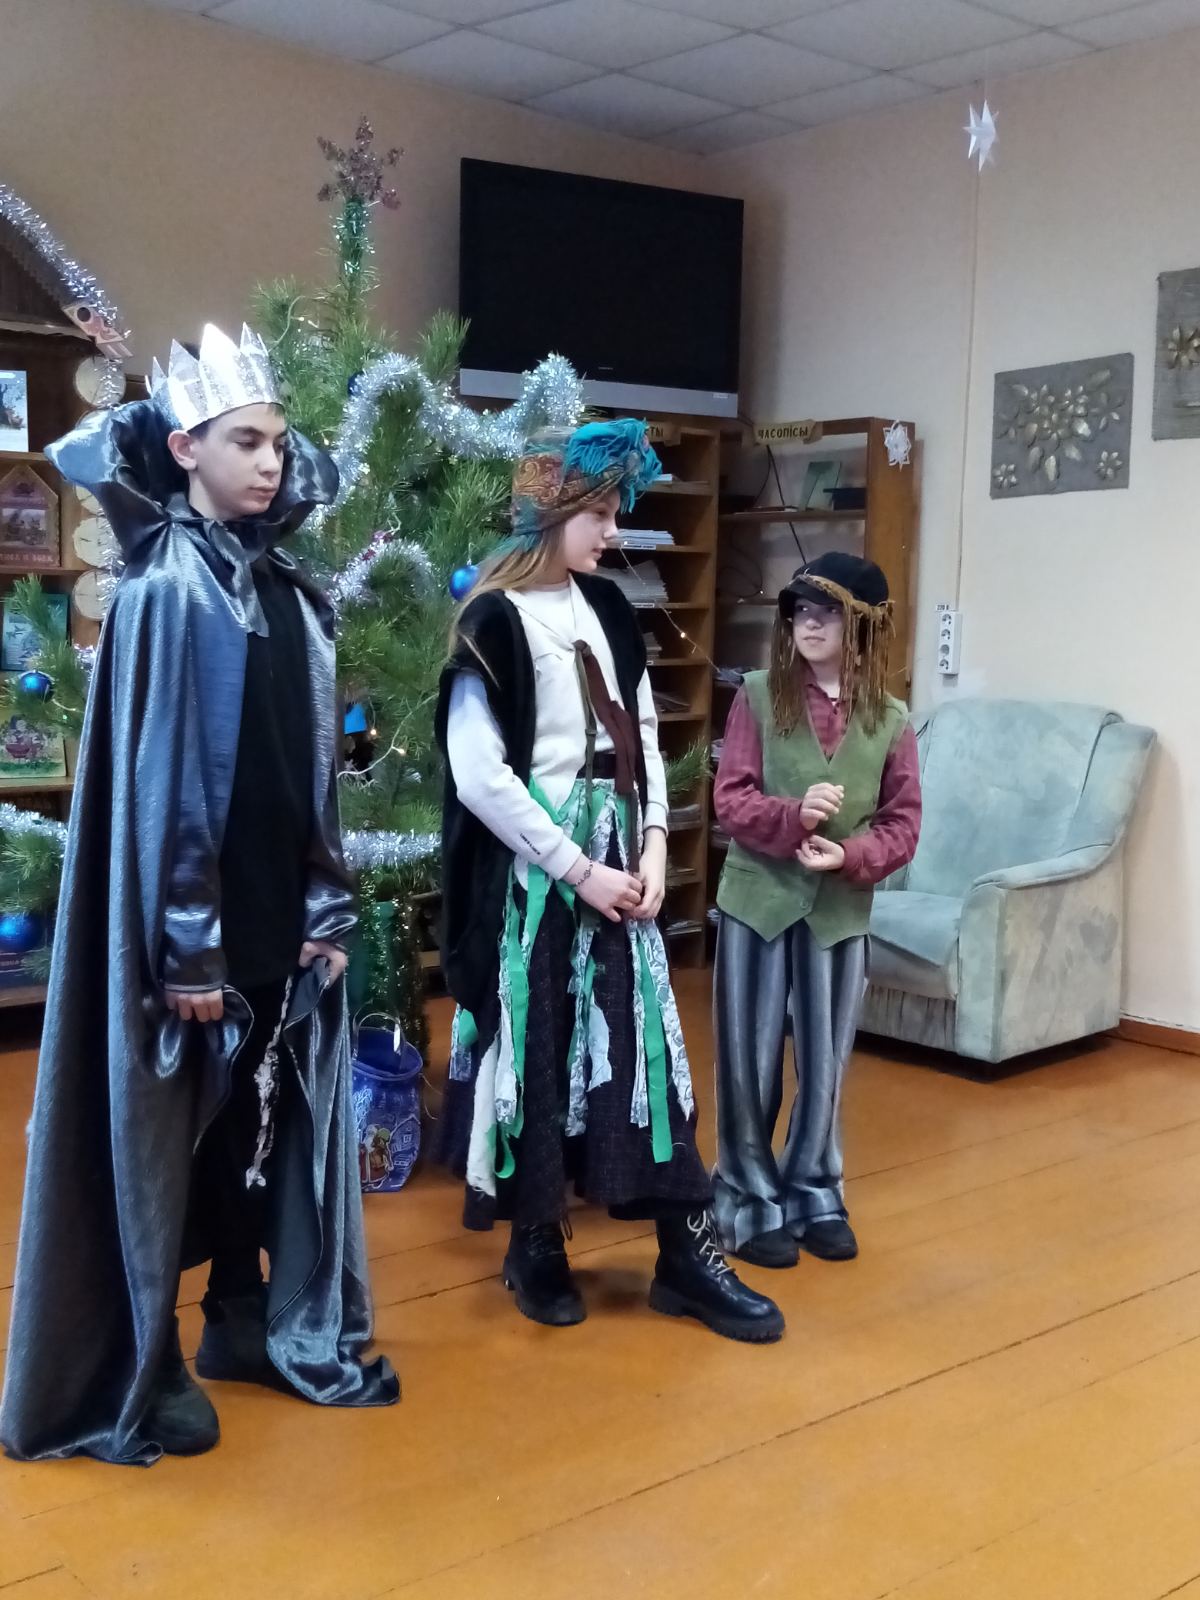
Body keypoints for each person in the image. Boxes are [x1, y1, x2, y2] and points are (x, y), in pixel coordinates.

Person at [0, 325, 398, 1466]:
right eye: (245, 441)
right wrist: (187, 950)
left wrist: (324, 906)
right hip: (188, 931)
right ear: (185, 449)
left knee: (255, 1125)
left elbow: (310, 772)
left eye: (278, 442)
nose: (270, 462)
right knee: (170, 1133)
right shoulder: (166, 592)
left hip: (274, 910)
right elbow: (168, 789)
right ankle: (148, 1351)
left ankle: (240, 1312)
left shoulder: (288, 595)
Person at [435, 418, 783, 1344]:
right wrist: (576, 869)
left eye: (615, 511)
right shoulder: (492, 623)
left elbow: (645, 736)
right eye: (598, 513)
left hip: (621, 858)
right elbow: (479, 776)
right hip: (540, 875)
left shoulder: (610, 608)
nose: (613, 530)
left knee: (646, 1050)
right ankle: (535, 1242)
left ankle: (685, 1252)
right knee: (540, 1044)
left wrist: (656, 844)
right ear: (549, 517)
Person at [711, 553, 922, 1269]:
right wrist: (792, 815)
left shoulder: (891, 720)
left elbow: (903, 824)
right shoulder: (758, 696)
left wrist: (851, 855)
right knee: (750, 1060)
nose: (809, 623)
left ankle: (813, 1192)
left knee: (826, 1064)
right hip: (758, 904)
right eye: (801, 610)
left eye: (827, 612)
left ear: (863, 625)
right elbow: (731, 798)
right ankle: (746, 1197)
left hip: (839, 912)